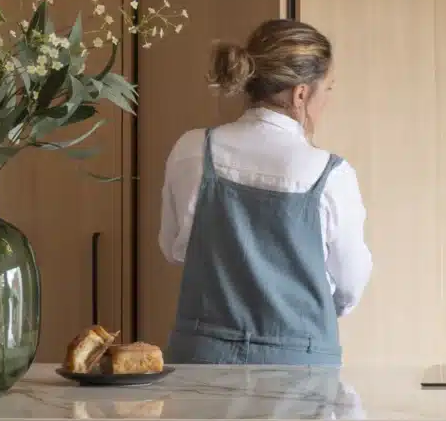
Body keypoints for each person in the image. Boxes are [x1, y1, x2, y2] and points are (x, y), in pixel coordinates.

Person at [159, 19, 371, 366]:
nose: (327, 100)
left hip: (203, 361)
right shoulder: (331, 175)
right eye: (327, 89)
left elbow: (174, 248)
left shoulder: (193, 150)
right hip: (298, 364)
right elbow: (348, 287)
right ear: (300, 93)